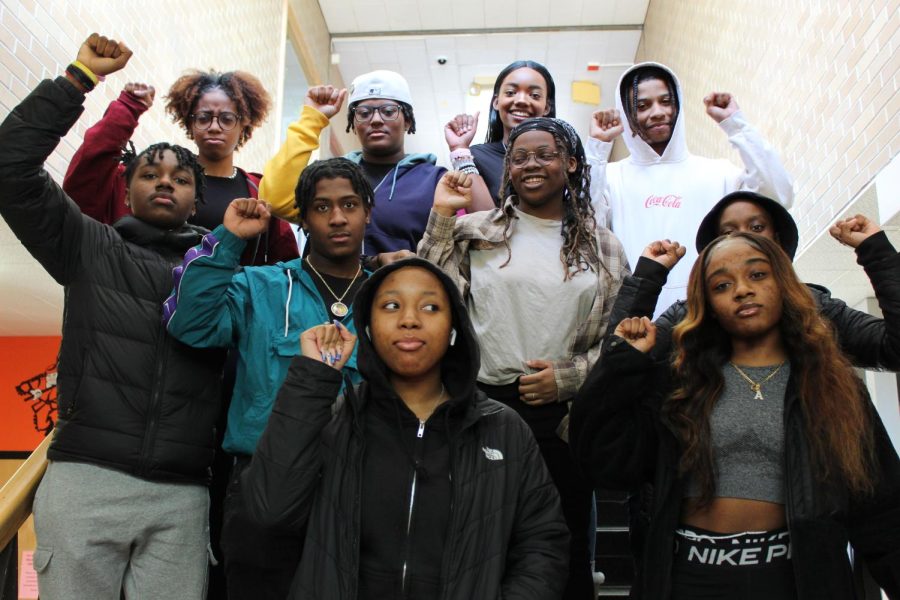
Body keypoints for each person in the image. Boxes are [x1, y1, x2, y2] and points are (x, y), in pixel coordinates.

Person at [0, 34, 223, 599]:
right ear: (126, 190)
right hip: (85, 480)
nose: (165, 181)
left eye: (180, 177)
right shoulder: (87, 245)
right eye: (150, 174)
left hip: (182, 493)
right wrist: (78, 78)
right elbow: (10, 167)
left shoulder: (222, 275)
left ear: (197, 199)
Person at [570, 232, 900, 599]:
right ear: (707, 303)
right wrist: (621, 364)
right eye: (722, 285)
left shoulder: (832, 385)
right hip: (686, 580)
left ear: (784, 284)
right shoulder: (679, 382)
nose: (742, 290)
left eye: (757, 275)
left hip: (797, 581)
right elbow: (601, 459)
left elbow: (883, 513)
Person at [242, 257, 570, 599]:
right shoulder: (334, 418)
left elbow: (542, 544)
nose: (409, 320)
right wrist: (313, 378)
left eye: (430, 307)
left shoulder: (502, 429)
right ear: (367, 326)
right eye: (391, 306)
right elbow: (270, 511)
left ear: (454, 327)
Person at [418, 117, 629, 599]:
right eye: (519, 156)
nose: (531, 164)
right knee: (479, 544)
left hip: (564, 420)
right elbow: (427, 298)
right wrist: (441, 219)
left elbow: (620, 341)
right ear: (506, 168)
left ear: (572, 163)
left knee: (563, 544)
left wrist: (569, 378)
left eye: (545, 154)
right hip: (483, 409)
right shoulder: (474, 231)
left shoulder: (606, 248)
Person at [164, 158, 373, 599]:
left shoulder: (389, 297)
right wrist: (229, 241)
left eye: (349, 204)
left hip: (361, 487)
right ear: (302, 219)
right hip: (261, 483)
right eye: (321, 207)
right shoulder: (260, 285)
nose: (337, 217)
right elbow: (190, 324)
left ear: (367, 211)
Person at [588, 62, 794, 316]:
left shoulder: (718, 173)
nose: (657, 112)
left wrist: (735, 124)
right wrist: (597, 148)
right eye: (642, 106)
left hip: (714, 322)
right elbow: (588, 227)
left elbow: (778, 195)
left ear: (678, 106)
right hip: (639, 325)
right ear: (627, 114)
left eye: (666, 101)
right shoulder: (610, 176)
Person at [62, 69, 298, 266]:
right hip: (142, 299)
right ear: (190, 122)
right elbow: (87, 177)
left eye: (226, 119)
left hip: (225, 312)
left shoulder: (259, 192)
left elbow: (286, 267)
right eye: (204, 118)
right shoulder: (149, 180)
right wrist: (127, 109)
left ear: (244, 124)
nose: (214, 127)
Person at [260, 71, 456, 254]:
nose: (376, 120)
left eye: (389, 111)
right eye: (364, 113)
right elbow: (275, 201)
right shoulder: (326, 176)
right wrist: (312, 119)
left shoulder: (434, 181)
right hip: (325, 290)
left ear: (408, 121)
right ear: (353, 124)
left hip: (403, 289)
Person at [444, 60, 557, 209]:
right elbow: (484, 224)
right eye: (510, 93)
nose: (521, 100)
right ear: (496, 102)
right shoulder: (477, 156)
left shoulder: (559, 157)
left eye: (534, 95)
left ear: (547, 107)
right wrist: (459, 149)